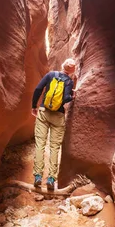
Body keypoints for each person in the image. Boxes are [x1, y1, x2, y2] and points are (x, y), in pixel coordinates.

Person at [31, 58, 77, 189]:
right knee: (54, 147)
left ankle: (38, 177)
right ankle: (51, 179)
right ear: (72, 71)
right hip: (58, 115)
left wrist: (34, 106)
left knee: (40, 144)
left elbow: (38, 89)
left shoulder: (50, 75)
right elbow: (65, 99)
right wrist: (73, 96)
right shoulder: (68, 81)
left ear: (63, 66)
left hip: (43, 112)